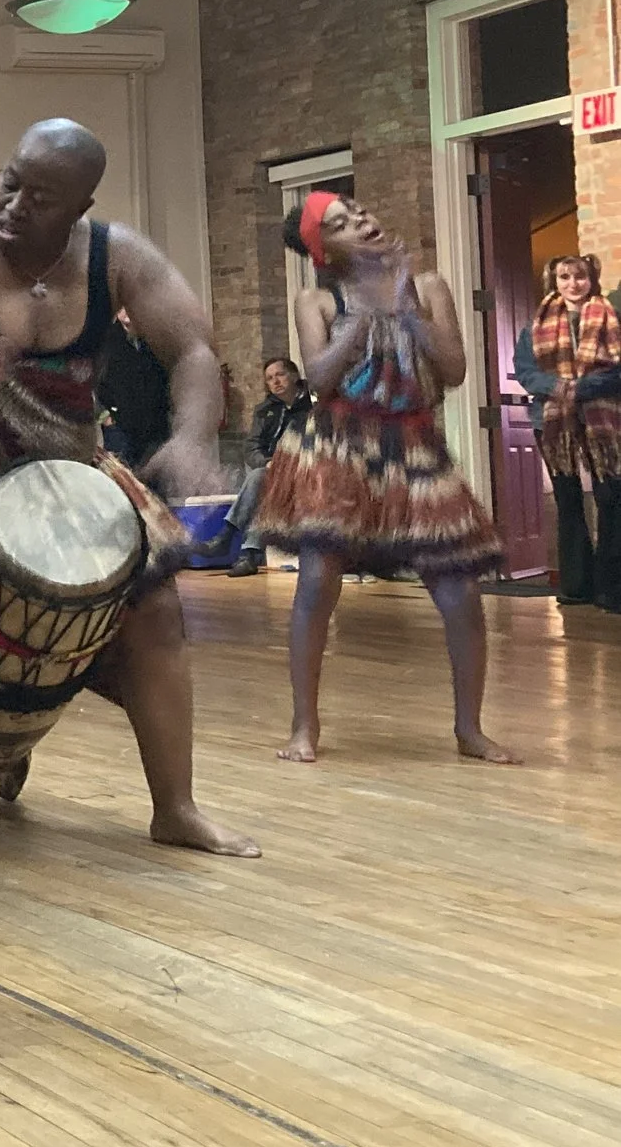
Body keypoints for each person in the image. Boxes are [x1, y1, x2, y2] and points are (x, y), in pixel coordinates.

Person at [0, 120, 258, 856]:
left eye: (41, 196)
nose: (15, 204)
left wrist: (192, 437)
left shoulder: (119, 257)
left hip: (74, 477)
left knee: (157, 609)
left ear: (81, 206)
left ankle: (175, 807)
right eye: (11, 181)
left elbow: (193, 350)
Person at [256, 190, 510, 763]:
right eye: (341, 223)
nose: (362, 219)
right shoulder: (317, 300)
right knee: (317, 579)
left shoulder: (429, 286)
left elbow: (454, 370)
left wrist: (407, 309)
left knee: (461, 590)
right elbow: (320, 377)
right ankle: (303, 726)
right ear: (327, 250)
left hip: (414, 444)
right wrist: (367, 316)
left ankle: (470, 729)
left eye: (358, 210)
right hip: (339, 445)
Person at [512, 253, 621, 609]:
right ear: (554, 281)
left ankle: (611, 590)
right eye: (564, 277)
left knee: (611, 498)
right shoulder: (534, 326)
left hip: (604, 421)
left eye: (580, 276)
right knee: (568, 500)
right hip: (553, 422)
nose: (573, 284)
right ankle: (577, 586)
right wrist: (560, 388)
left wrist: (582, 389)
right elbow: (526, 372)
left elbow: (617, 370)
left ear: (591, 279)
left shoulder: (611, 318)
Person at [224, 357, 313, 576]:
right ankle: (247, 551)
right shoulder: (264, 410)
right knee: (261, 478)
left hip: (304, 469)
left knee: (260, 479)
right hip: (272, 469)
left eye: (280, 375)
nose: (275, 382)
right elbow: (252, 447)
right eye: (270, 378)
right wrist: (268, 462)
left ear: (294, 376)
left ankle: (233, 540)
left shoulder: (313, 406)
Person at [96, 308, 172, 467]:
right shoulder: (103, 341)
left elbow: (164, 378)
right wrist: (106, 417)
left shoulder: (154, 340)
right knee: (121, 478)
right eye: (122, 307)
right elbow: (90, 380)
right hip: (119, 429)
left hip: (155, 429)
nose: (127, 314)